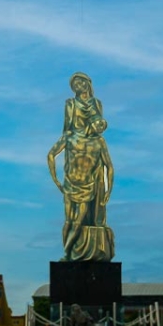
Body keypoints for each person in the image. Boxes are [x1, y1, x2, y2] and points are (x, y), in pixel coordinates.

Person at [47, 73, 114, 261]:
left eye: (81, 82)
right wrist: (57, 179)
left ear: (88, 83)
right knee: (69, 218)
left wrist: (107, 187)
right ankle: (67, 253)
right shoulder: (70, 104)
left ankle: (72, 252)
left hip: (92, 165)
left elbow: (99, 126)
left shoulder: (97, 104)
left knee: (87, 216)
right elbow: (66, 129)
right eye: (75, 83)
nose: (79, 85)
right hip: (75, 159)